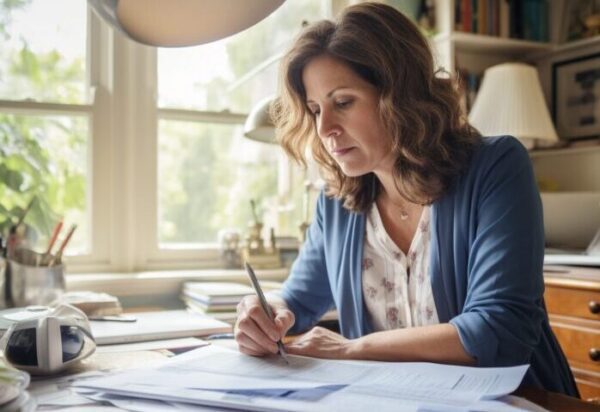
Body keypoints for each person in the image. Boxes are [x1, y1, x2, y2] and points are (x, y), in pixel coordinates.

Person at [235, 2, 578, 397]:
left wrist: (351, 349)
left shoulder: (496, 166)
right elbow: (295, 303)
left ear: (399, 95)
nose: (325, 127)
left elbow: (500, 329)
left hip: (517, 401)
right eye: (315, 109)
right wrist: (262, 313)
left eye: (343, 102)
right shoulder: (337, 202)